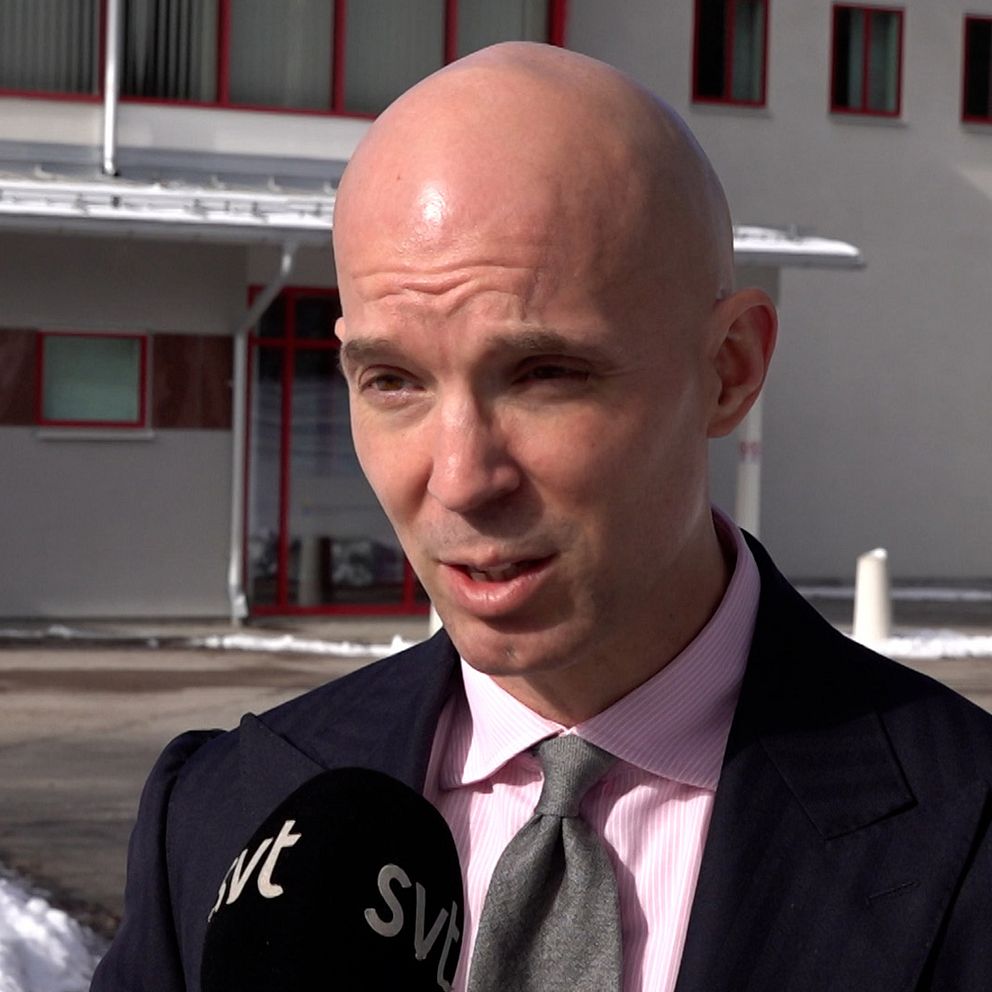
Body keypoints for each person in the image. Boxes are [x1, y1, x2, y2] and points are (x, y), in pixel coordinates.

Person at [92, 43, 992, 992]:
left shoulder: (967, 836)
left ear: (728, 369)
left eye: (543, 375)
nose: (460, 479)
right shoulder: (227, 811)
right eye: (393, 381)